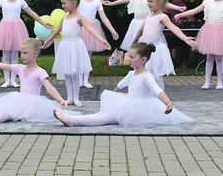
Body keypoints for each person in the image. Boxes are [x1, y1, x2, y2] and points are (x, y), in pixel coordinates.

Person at [53, 42, 194, 127]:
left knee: (104, 118)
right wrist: (114, 99)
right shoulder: (131, 74)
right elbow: (119, 87)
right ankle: (73, 120)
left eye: (132, 57)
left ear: (143, 59)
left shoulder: (147, 76)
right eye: (129, 56)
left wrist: (167, 103)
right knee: (103, 114)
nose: (129, 59)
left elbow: (157, 91)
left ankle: (73, 121)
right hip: (129, 105)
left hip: (140, 110)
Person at [40, 0, 118, 88]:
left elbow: (104, 18)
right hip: (78, 27)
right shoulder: (79, 0)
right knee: (78, 55)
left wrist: (112, 30)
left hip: (90, 27)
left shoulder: (97, 2)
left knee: (87, 56)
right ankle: (79, 79)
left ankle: (85, 80)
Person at [44, 0, 111, 106]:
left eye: (64, 3)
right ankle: (69, 98)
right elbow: (56, 31)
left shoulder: (80, 17)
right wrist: (48, 41)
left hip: (75, 46)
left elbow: (90, 29)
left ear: (73, 3)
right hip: (65, 46)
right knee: (67, 73)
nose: (62, 5)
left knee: (74, 73)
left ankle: (76, 98)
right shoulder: (64, 17)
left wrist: (101, 40)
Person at [133, 0, 196, 89]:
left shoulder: (163, 17)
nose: (148, 4)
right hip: (143, 48)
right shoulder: (149, 16)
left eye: (151, 1)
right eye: (148, 1)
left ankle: (159, 97)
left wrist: (185, 38)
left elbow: (174, 28)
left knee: (156, 76)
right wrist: (133, 42)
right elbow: (140, 30)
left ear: (160, 2)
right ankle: (144, 96)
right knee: (142, 74)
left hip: (154, 50)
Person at [102, 0, 186, 52]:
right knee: (136, 44)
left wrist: (178, 8)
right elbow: (122, 0)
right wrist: (111, 3)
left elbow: (165, 3)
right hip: (135, 24)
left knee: (147, 44)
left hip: (148, 24)